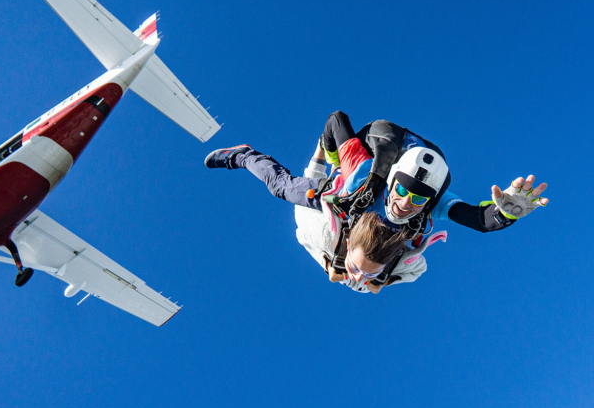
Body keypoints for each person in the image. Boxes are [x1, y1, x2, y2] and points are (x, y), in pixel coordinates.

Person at [204, 112, 549, 293]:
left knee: (364, 272)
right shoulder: (357, 176)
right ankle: (244, 155)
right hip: (360, 168)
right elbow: (336, 119)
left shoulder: (434, 202)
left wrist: (505, 213)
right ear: (392, 181)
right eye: (401, 192)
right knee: (283, 188)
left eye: (418, 199)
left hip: (382, 195)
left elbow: (477, 219)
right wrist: (330, 153)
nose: (405, 203)